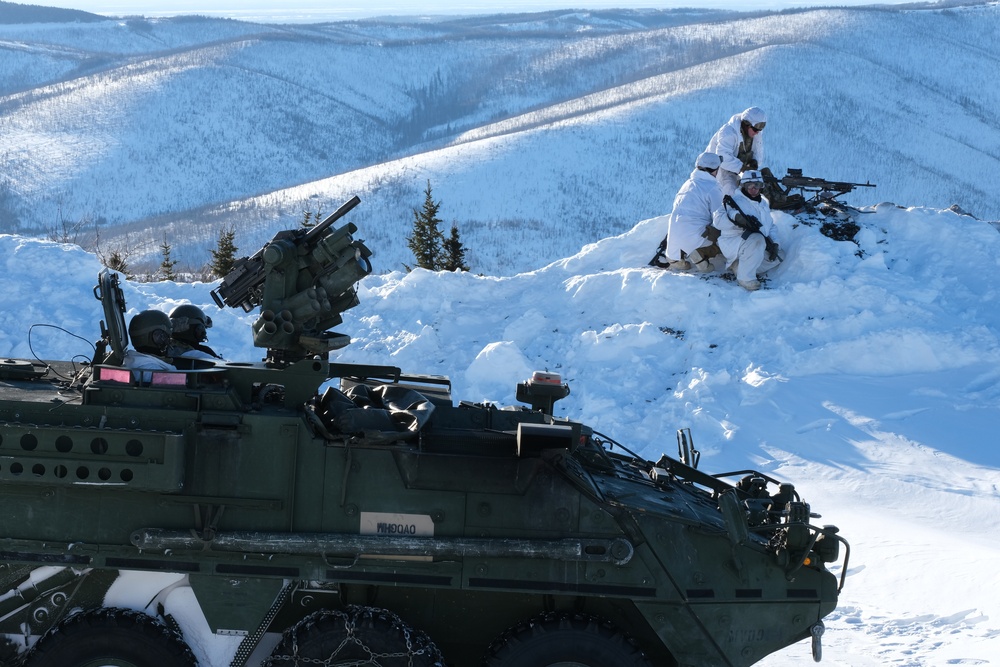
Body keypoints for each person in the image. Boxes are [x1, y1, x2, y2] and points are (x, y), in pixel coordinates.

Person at [650, 152, 725, 272]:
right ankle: (701, 255)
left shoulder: (687, 184)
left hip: (673, 244)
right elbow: (719, 218)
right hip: (696, 240)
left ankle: (674, 259)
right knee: (726, 235)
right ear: (715, 169)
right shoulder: (713, 188)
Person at [712, 169, 782, 291]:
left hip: (754, 244)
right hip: (734, 242)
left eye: (757, 185)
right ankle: (745, 278)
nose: (753, 189)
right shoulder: (736, 201)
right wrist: (735, 218)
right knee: (757, 239)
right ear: (743, 185)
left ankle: (739, 267)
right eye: (749, 185)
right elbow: (717, 220)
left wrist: (775, 243)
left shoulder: (763, 203)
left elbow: (770, 226)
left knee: (780, 256)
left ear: (762, 187)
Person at [705, 107, 767, 196]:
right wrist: (743, 168)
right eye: (756, 129)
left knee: (758, 186)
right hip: (718, 170)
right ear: (747, 124)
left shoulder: (755, 134)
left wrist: (754, 162)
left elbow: (758, 153)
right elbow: (722, 158)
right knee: (732, 191)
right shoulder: (728, 133)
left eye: (760, 129)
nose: (758, 132)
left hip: (736, 170)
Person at [123, 309, 176, 378]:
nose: (169, 341)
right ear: (157, 337)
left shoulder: (134, 361)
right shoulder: (152, 370)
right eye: (166, 336)